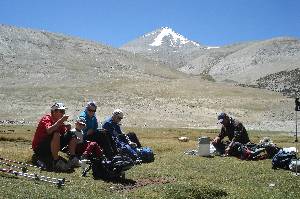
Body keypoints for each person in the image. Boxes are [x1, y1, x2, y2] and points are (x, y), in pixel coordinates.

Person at [32, 102, 80, 171]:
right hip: (39, 148)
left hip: (49, 146)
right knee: (56, 133)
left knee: (71, 133)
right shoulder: (47, 118)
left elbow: (64, 135)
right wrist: (61, 121)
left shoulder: (59, 122)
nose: (63, 113)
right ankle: (56, 161)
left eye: (63, 111)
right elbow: (49, 130)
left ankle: (72, 157)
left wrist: (68, 129)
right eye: (61, 111)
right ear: (54, 112)